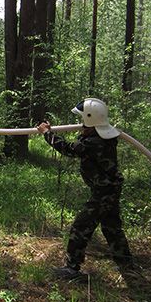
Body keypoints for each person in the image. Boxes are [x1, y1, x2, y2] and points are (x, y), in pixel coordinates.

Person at [37, 98, 135, 280]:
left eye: (83, 119)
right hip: (109, 190)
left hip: (104, 192)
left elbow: (68, 149)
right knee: (112, 227)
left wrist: (47, 134)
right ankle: (127, 265)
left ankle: (72, 268)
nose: (80, 123)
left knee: (81, 226)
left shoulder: (95, 142)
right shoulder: (100, 136)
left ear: (91, 120)